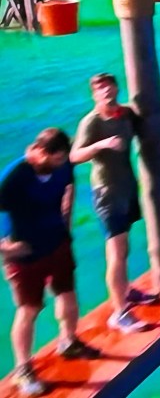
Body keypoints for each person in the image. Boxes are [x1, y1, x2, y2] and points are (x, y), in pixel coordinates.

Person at [2, 129, 100, 396]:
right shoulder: (15, 177)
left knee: (67, 293)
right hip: (25, 255)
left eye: (63, 159)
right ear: (40, 153)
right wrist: (5, 248)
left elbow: (68, 185)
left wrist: (65, 224)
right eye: (57, 159)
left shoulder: (63, 165)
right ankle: (23, 369)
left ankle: (69, 342)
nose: (61, 164)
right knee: (29, 309)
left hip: (57, 243)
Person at [70, 73, 159, 335]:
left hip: (127, 188)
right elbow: (75, 156)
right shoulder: (91, 121)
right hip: (106, 193)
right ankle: (119, 313)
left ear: (117, 88)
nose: (106, 92)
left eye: (109, 87)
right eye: (100, 89)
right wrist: (102, 144)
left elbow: (145, 124)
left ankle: (126, 291)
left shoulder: (126, 114)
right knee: (116, 253)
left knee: (124, 247)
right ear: (94, 95)